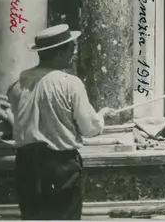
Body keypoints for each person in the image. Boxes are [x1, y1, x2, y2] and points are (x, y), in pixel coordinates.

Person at [7, 24, 111, 220]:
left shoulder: (17, 84)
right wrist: (101, 116)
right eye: (72, 48)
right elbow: (89, 128)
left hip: (25, 165)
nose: (74, 53)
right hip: (60, 166)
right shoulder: (70, 83)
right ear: (60, 53)